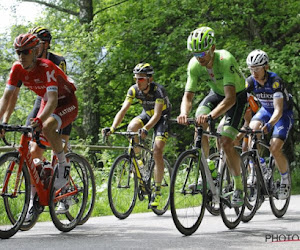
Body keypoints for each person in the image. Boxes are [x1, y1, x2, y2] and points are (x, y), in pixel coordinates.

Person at [177, 26, 247, 207]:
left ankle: (239, 186)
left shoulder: (225, 60)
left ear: (213, 48)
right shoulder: (194, 65)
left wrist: (211, 116)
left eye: (203, 53)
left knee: (225, 141)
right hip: (216, 94)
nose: (199, 58)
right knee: (198, 126)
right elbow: (188, 96)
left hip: (236, 97)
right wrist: (184, 113)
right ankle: (209, 170)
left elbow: (230, 99)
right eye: (195, 54)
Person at [0, 33, 77, 191]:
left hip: (66, 102)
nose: (21, 56)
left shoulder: (46, 66)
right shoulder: (17, 68)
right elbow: (6, 97)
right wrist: (2, 122)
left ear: (35, 52)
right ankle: (35, 197)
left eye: (26, 52)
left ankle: (63, 165)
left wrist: (41, 120)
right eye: (18, 52)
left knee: (47, 126)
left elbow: (54, 100)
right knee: (32, 146)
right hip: (46, 100)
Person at [102, 63, 171, 207]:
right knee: (131, 127)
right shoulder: (133, 90)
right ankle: (140, 163)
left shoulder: (158, 91)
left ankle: (157, 192)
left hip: (161, 118)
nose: (137, 82)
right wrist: (113, 128)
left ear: (149, 79)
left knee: (157, 150)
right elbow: (123, 110)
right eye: (136, 79)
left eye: (140, 79)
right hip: (146, 115)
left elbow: (157, 115)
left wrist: (145, 129)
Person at [2, 27, 72, 154]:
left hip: (62, 100)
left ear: (45, 45)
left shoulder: (57, 61)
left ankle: (62, 168)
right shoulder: (22, 64)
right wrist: (4, 121)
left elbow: (60, 92)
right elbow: (12, 96)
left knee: (58, 151)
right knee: (33, 148)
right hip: (43, 99)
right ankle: (38, 170)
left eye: (36, 43)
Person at [245, 49, 293, 199]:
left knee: (274, 147)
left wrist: (270, 125)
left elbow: (278, 110)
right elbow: (241, 102)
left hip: (282, 114)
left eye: (257, 68)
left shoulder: (275, 81)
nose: (254, 72)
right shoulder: (250, 82)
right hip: (265, 110)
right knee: (251, 133)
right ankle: (259, 167)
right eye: (251, 69)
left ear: (266, 67)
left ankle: (285, 179)